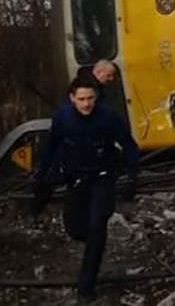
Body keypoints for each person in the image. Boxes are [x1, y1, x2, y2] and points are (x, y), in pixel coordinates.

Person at [32, 76, 139, 303]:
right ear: (72, 98)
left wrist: (132, 175)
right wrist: (41, 177)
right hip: (75, 180)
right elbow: (50, 148)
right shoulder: (63, 118)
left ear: (96, 97)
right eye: (81, 99)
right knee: (76, 229)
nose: (86, 104)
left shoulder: (108, 117)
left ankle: (86, 287)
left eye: (90, 98)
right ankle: (92, 242)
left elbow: (129, 145)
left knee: (97, 225)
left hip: (102, 178)